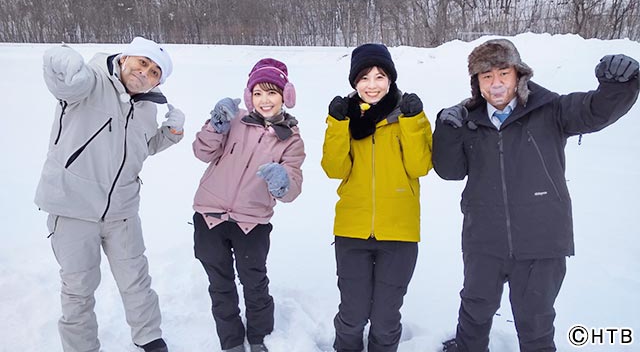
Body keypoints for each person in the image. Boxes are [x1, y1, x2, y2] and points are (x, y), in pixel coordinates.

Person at [433, 39, 639, 352]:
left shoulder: (551, 110)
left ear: (519, 75)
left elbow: (596, 111)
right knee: (475, 308)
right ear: (477, 83)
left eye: (503, 73)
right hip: (484, 238)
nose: (497, 83)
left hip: (541, 240)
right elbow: (450, 171)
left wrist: (619, 85)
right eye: (486, 76)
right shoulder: (469, 120)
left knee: (535, 320)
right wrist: (447, 132)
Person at [35, 36, 184, 352]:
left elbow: (138, 148)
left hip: (122, 210)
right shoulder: (89, 82)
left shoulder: (146, 106)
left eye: (155, 71)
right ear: (125, 57)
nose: (145, 73)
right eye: (142, 62)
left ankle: (149, 337)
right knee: (78, 289)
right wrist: (61, 57)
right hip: (73, 206)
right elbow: (60, 77)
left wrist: (169, 135)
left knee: (137, 282)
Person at [321, 43, 433, 352]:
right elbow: (334, 168)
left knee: (385, 319)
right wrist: (337, 125)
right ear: (354, 82)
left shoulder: (407, 113)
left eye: (380, 76)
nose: (372, 85)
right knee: (352, 315)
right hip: (351, 231)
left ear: (391, 79)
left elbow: (419, 165)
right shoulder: (347, 116)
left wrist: (413, 122)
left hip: (399, 233)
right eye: (364, 78)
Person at [192, 58, 305, 352]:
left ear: (285, 96)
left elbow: (292, 187)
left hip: (252, 223)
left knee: (254, 285)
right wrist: (215, 126)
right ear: (249, 96)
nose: (264, 100)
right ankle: (230, 341)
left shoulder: (291, 139)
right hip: (210, 217)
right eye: (257, 93)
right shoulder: (234, 120)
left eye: (271, 93)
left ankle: (260, 339)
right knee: (220, 285)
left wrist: (282, 181)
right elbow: (201, 152)